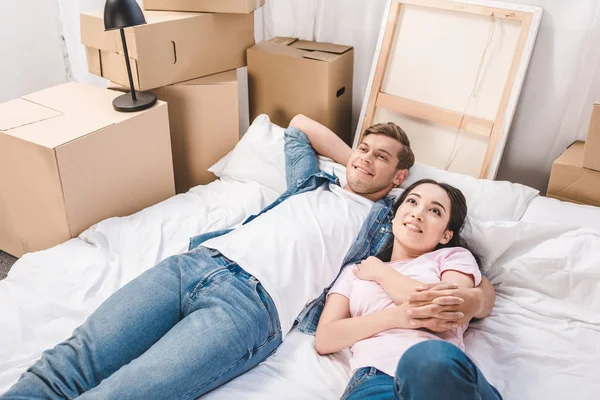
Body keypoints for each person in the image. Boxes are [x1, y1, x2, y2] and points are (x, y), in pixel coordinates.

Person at [1, 116, 495, 399]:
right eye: (363, 149)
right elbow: (298, 127)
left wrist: (472, 300)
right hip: (193, 265)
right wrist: (356, 159)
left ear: (401, 178)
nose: (365, 158)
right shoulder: (311, 181)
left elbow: (472, 278)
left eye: (380, 157)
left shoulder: (395, 220)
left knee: (123, 394)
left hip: (250, 309)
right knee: (67, 363)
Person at [315, 179, 502, 400]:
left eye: (434, 210)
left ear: (446, 235)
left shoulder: (452, 257)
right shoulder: (355, 271)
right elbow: (326, 338)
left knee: (424, 357)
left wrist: (382, 273)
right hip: (375, 379)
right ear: (395, 216)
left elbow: (444, 306)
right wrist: (396, 317)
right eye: (412, 202)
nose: (418, 213)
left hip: (436, 372)